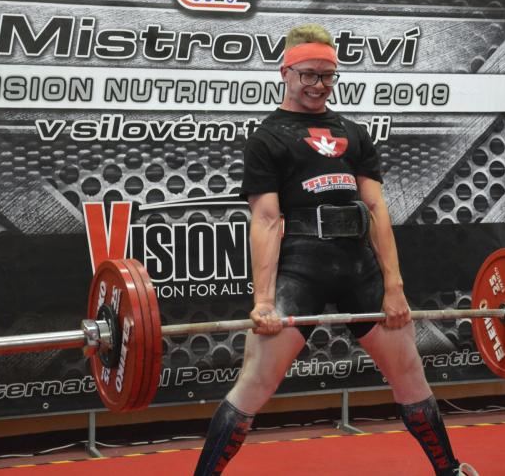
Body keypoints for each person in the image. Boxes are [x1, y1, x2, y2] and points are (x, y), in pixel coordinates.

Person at [192, 24, 478, 476]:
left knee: (410, 375)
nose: (319, 85)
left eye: (327, 76)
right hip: (300, 269)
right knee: (255, 384)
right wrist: (263, 301)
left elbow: (376, 208)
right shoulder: (267, 138)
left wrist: (394, 287)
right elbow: (265, 220)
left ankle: (450, 471)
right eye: (308, 74)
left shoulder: (354, 132)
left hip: (359, 267)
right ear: (285, 72)